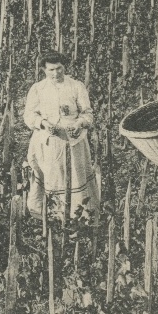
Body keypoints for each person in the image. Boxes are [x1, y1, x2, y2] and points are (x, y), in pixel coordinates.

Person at [23, 50, 97, 218]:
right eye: (51, 70)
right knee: (52, 175)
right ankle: (53, 216)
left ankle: (78, 215)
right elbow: (29, 115)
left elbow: (87, 114)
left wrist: (79, 123)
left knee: (76, 176)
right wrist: (43, 123)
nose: (56, 73)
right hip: (50, 142)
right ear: (44, 70)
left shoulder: (76, 86)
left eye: (59, 68)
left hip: (74, 140)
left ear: (64, 67)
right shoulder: (38, 89)